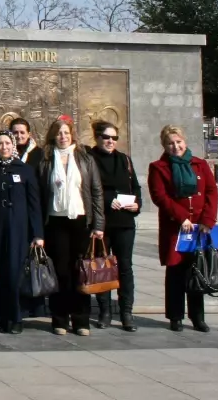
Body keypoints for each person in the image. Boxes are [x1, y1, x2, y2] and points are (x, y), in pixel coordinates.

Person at [34, 117, 105, 336]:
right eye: (59, 133)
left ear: (72, 134)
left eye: (66, 132)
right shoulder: (45, 159)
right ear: (53, 136)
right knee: (60, 271)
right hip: (55, 221)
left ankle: (81, 319)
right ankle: (59, 319)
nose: (63, 137)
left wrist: (99, 224)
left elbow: (96, 192)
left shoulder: (84, 158)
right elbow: (39, 195)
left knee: (80, 271)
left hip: (80, 221)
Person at [147, 125, 218, 333]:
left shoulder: (199, 164)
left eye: (178, 142)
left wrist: (207, 220)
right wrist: (180, 217)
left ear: (185, 142)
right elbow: (159, 196)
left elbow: (211, 192)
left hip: (199, 228)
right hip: (175, 227)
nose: (175, 146)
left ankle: (198, 317)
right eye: (170, 143)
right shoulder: (159, 167)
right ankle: (175, 316)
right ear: (164, 145)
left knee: (197, 271)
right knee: (176, 272)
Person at [0, 130, 44, 333]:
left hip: (19, 230)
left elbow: (34, 204)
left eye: (7, 143)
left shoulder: (24, 170)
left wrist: (38, 234)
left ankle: (16, 318)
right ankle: (0, 317)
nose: (4, 147)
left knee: (16, 272)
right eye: (0, 144)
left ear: (13, 145)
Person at [89, 120, 142, 332]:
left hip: (124, 222)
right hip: (102, 222)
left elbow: (135, 187)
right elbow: (89, 188)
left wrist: (136, 205)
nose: (110, 141)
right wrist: (109, 198)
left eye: (114, 138)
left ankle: (126, 311)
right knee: (103, 268)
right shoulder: (90, 159)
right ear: (97, 138)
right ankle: (104, 311)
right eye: (106, 137)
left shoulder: (124, 160)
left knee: (125, 267)